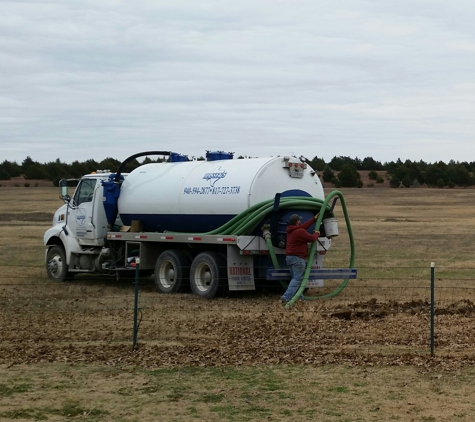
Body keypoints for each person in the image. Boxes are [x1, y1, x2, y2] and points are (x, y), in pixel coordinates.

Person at [281, 213, 320, 304]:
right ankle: (286, 297)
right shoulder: (299, 231)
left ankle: (299, 298)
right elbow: (311, 238)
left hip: (290, 257)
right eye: (299, 220)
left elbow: (304, 226)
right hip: (297, 258)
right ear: (297, 221)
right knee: (297, 279)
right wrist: (316, 234)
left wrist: (314, 219)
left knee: (295, 279)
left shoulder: (292, 230)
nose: (300, 221)